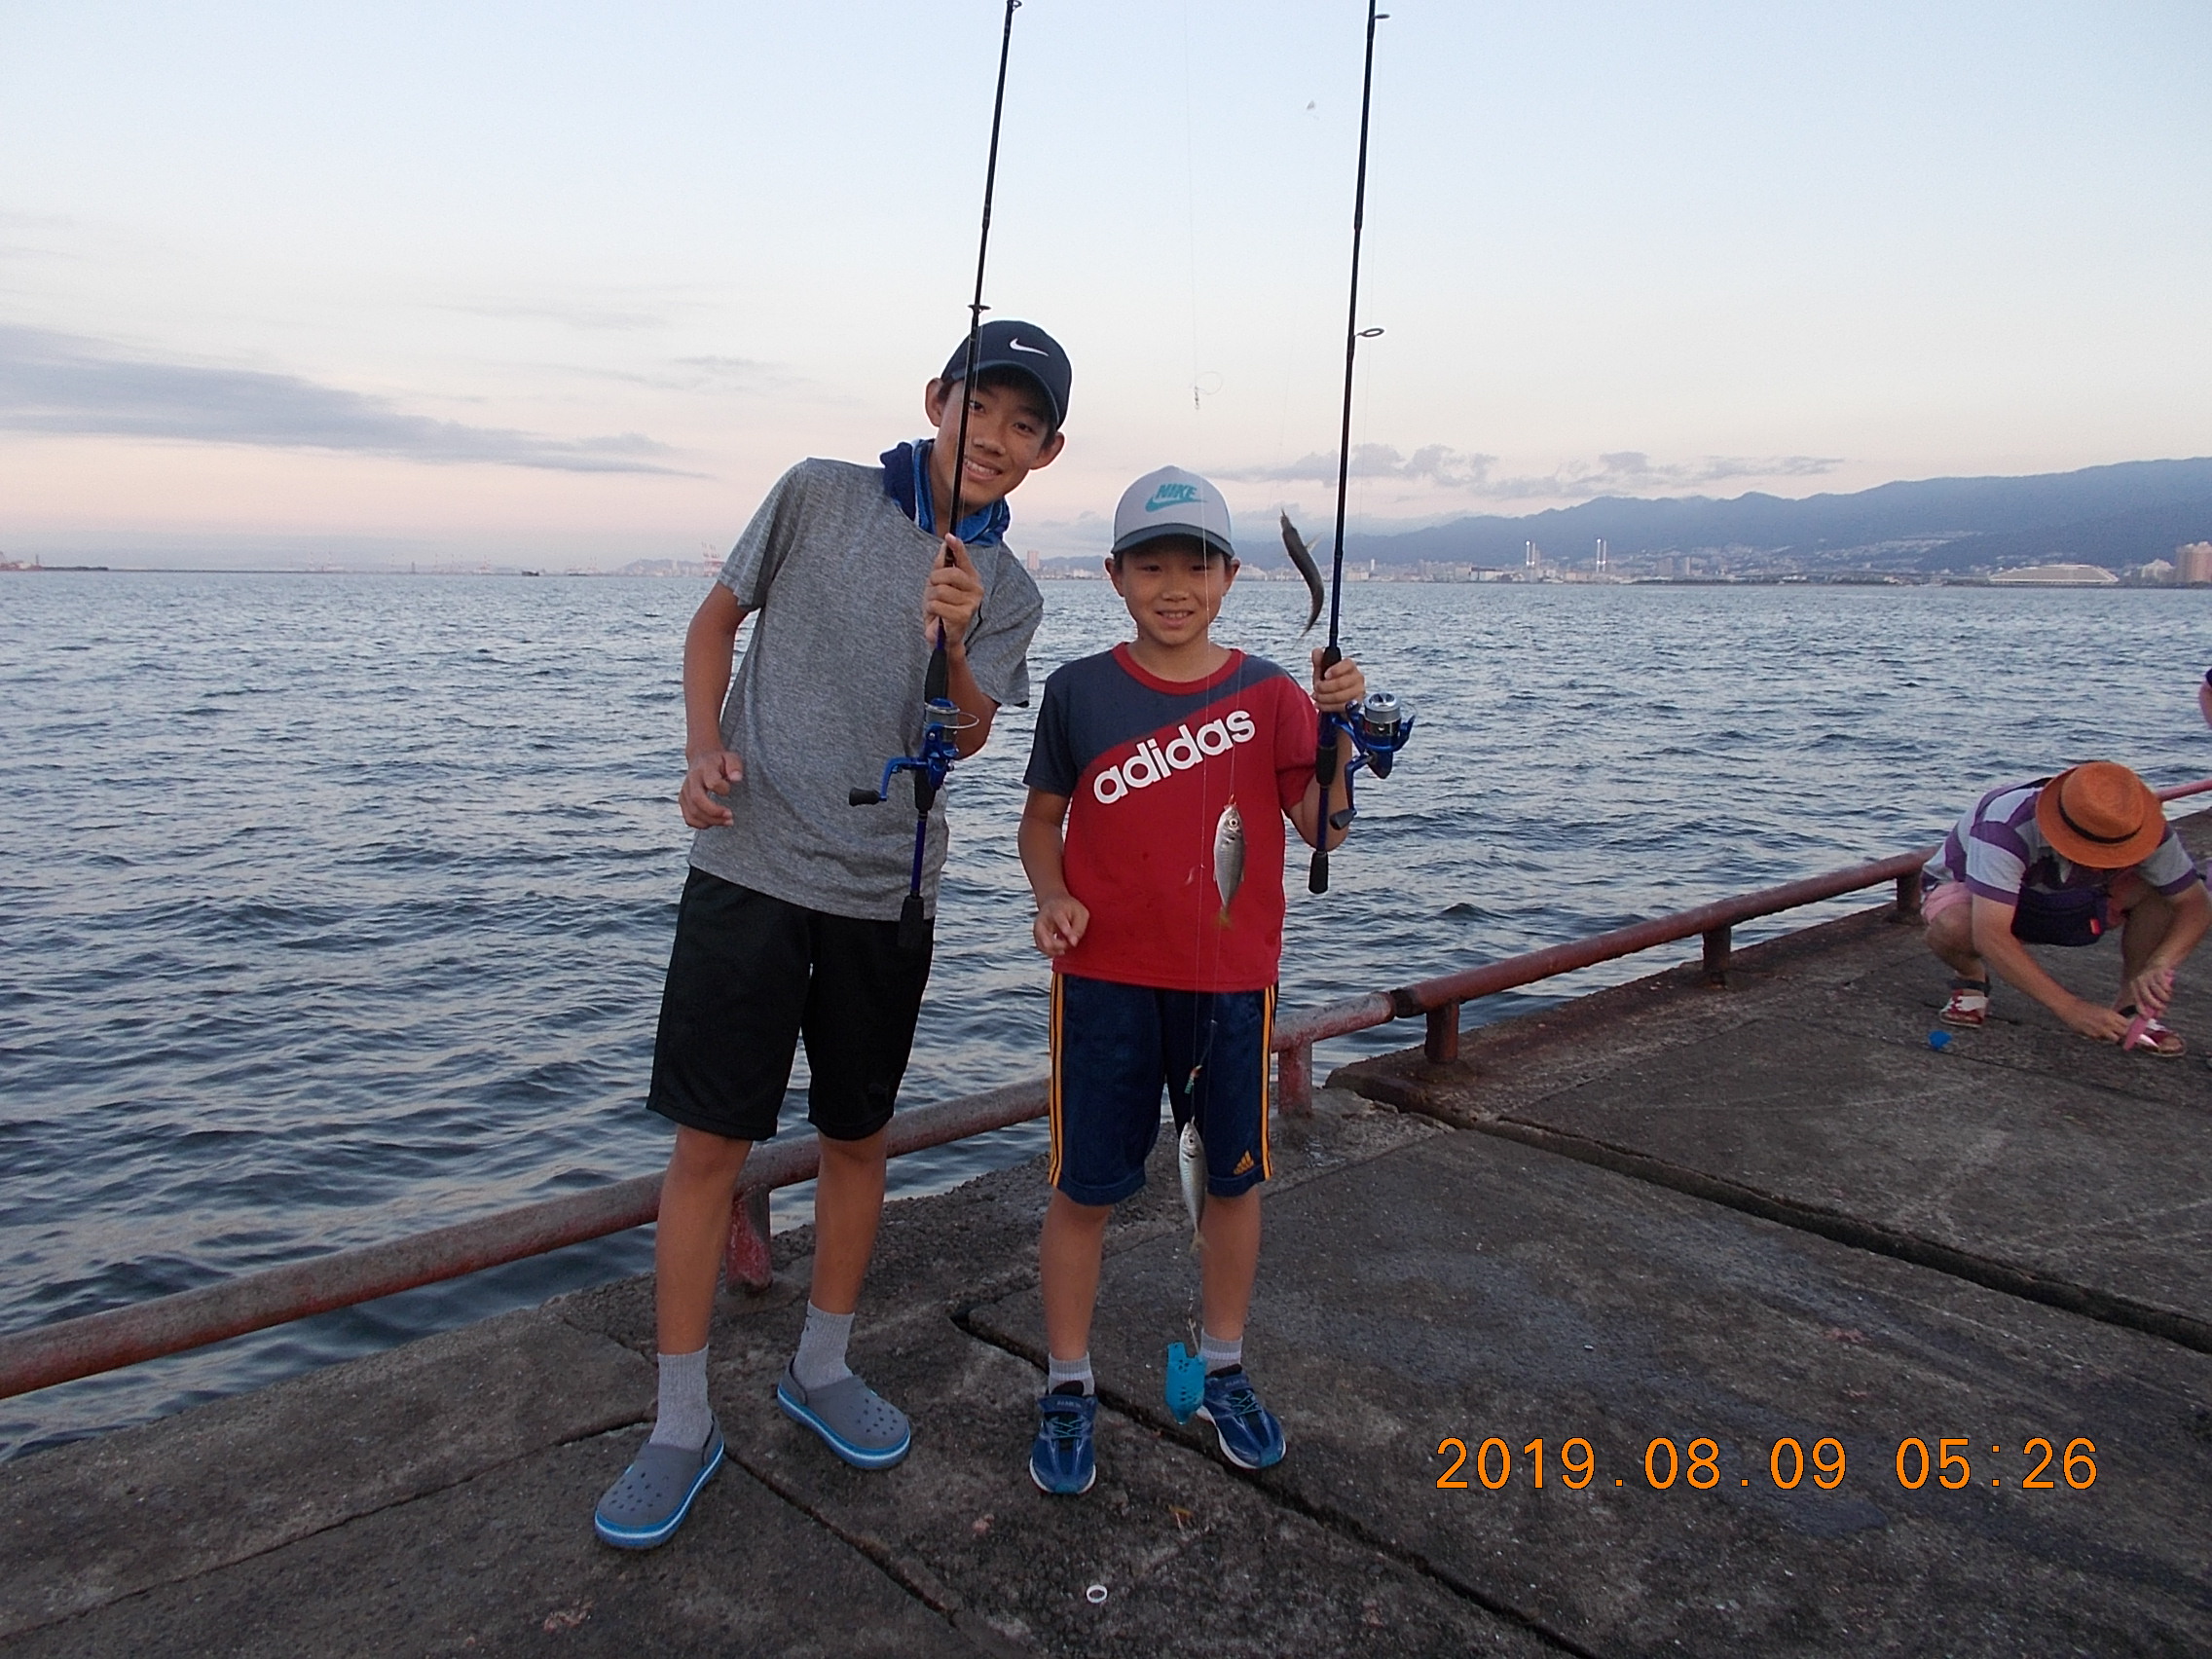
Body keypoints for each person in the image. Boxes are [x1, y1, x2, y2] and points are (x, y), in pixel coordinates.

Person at [592, 320, 1070, 1549]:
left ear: (1049, 452)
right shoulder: (816, 493)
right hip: (749, 867)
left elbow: (968, 737)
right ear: (935, 398)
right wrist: (702, 747)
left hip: (884, 890)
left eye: (1024, 425)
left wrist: (957, 636)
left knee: (858, 1139)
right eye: (981, 407)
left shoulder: (1011, 590)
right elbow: (714, 624)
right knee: (709, 1145)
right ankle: (679, 1420)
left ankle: (821, 1364)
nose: (995, 438)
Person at [1015, 466, 1367, 1494]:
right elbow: (1042, 821)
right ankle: (1067, 1381)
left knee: (1233, 1181)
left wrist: (1343, 736)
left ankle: (1224, 1368)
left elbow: (1324, 830)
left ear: (1231, 578)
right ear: (1114, 576)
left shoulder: (1273, 695)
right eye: (1151, 567)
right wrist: (1051, 894)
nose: (1175, 588)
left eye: (1198, 567)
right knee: (1084, 1186)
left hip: (1231, 986)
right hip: (1103, 983)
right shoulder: (1079, 691)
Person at [1923, 761, 2208, 1056]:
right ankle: (1971, 976)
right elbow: (1990, 934)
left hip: (2078, 898)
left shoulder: (2138, 824)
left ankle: (2131, 1005)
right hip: (1985, 901)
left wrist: (2160, 963)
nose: (2101, 863)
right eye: (2094, 852)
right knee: (1953, 926)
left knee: (2164, 891)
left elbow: (2195, 903)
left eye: (2116, 852)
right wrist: (2070, 1008)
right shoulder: (2005, 824)